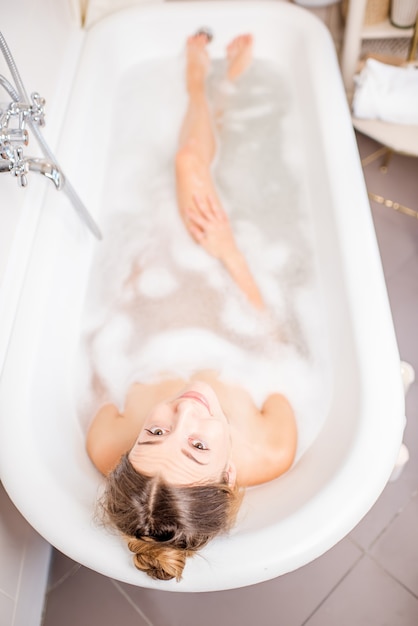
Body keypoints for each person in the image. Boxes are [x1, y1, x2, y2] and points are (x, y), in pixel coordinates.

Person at [86, 32, 297, 582]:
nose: (183, 411)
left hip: (157, 268)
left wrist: (134, 271)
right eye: (198, 444)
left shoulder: (109, 445)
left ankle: (209, 85)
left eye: (154, 434)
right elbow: (280, 340)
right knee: (188, 163)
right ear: (229, 473)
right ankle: (211, 84)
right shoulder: (272, 448)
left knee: (185, 163)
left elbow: (97, 346)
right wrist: (227, 249)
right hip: (228, 268)